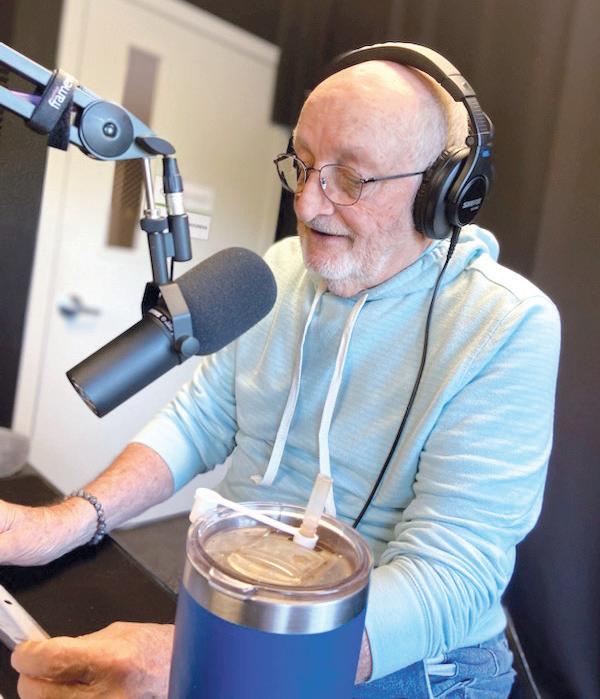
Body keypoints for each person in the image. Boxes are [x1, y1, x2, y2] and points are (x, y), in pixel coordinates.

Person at [2, 46, 560, 698]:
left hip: (404, 659)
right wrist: (68, 522)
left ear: (443, 193)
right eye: (302, 163)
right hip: (241, 607)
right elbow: (199, 421)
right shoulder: (283, 268)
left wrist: (213, 657)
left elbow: (449, 578)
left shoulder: (508, 325)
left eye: (349, 178)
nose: (307, 203)